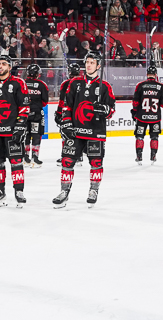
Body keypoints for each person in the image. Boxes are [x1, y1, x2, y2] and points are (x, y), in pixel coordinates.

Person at [54, 51, 115, 208]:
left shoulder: (105, 86)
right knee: (67, 162)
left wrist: (105, 110)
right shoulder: (74, 83)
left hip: (95, 132)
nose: (88, 65)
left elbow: (112, 110)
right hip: (75, 131)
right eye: (87, 62)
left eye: (92, 62)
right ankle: (64, 192)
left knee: (96, 162)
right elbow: (66, 106)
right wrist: (66, 124)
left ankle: (93, 190)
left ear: (98, 65)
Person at [0, 54, 30, 208]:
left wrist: (20, 126)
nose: (0, 66)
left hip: (12, 131)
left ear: (10, 67)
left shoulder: (18, 83)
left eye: (4, 64)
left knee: (16, 162)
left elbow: (24, 108)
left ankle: (19, 191)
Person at [131, 65, 163, 164]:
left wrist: (134, 111)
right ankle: (153, 156)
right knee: (154, 137)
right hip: (155, 117)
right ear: (156, 75)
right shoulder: (161, 86)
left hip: (141, 116)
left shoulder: (140, 85)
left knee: (139, 136)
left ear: (147, 74)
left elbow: (135, 102)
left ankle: (139, 156)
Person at [54, 62, 81, 167]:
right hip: (79, 113)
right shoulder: (82, 82)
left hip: (67, 113)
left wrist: (58, 113)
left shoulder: (65, 84)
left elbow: (62, 101)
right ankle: (79, 156)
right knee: (78, 134)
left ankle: (67, 156)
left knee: (66, 134)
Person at [23, 64, 50, 168]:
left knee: (25, 134)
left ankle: (25, 157)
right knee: (36, 135)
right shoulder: (42, 84)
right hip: (37, 114)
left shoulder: (22, 83)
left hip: (24, 114)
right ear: (38, 74)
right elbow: (45, 102)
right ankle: (35, 157)